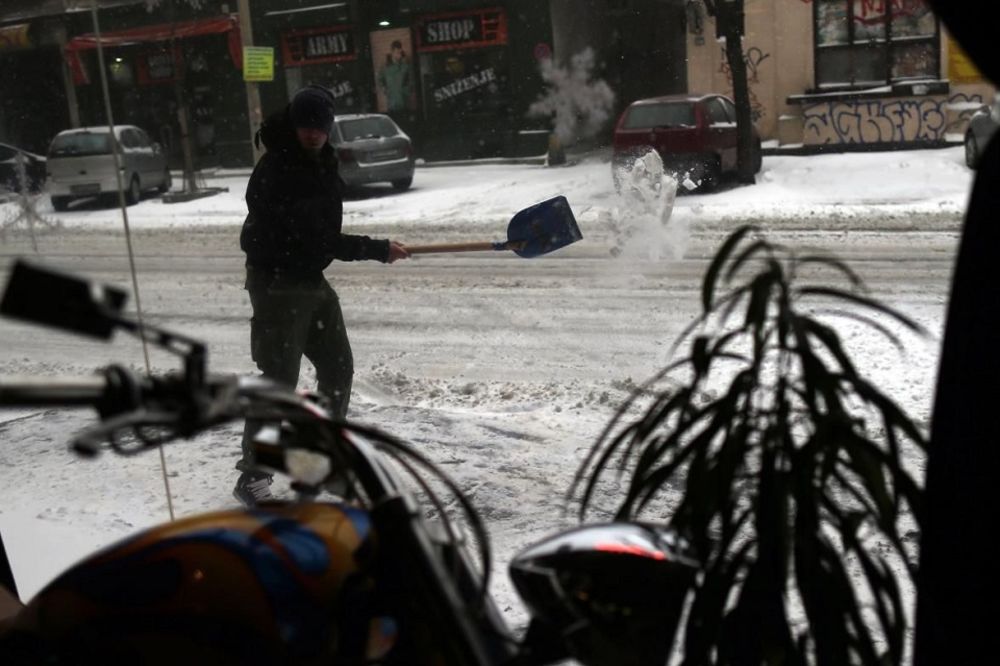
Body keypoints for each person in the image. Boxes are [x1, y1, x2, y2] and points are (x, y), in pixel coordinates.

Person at [235, 85, 410, 505]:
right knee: (279, 379)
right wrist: (375, 249)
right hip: (277, 282)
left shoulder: (322, 161)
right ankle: (253, 476)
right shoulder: (277, 169)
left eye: (320, 126)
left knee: (337, 366)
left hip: (310, 279)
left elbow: (320, 240)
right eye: (306, 126)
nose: (313, 133)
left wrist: (375, 248)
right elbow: (317, 237)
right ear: (295, 125)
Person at [377, 40, 413, 113]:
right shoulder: (385, 67)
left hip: (404, 102)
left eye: (400, 52)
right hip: (391, 103)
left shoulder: (405, 65)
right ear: (392, 52)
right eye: (397, 52)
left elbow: (411, 79)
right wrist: (385, 89)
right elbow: (380, 79)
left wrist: (408, 90)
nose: (399, 55)